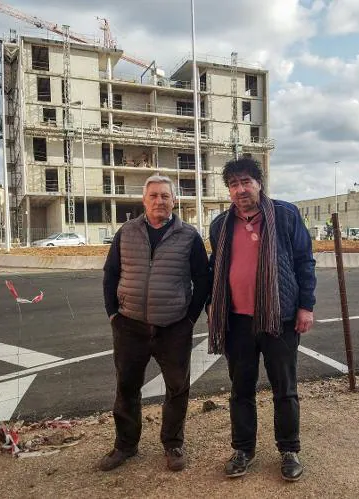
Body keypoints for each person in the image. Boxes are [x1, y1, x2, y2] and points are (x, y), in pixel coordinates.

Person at [207, 156, 316, 482]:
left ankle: (289, 450)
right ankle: (243, 449)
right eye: (233, 184)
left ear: (259, 183)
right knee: (241, 389)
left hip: (279, 318)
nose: (240, 190)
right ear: (229, 190)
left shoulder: (284, 215)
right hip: (237, 321)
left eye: (246, 182)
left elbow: (304, 262)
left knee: (285, 388)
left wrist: (305, 306)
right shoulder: (220, 225)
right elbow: (217, 270)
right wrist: (213, 305)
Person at [101, 175, 209, 472]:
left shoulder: (189, 236)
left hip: (173, 326)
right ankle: (126, 445)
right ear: (144, 201)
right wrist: (113, 313)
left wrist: (189, 319)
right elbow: (111, 274)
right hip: (130, 325)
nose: (159, 201)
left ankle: (173, 443)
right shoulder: (126, 232)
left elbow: (202, 280)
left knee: (177, 388)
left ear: (174, 200)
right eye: (153, 196)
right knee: (126, 388)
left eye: (165, 196)